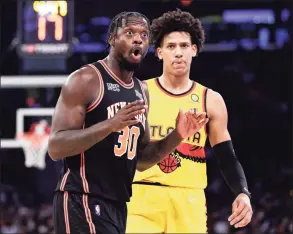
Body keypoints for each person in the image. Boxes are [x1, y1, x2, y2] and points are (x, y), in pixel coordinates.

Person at [48, 11, 208, 234]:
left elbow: (142, 159)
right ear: (112, 39)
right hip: (81, 198)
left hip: (118, 204)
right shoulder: (86, 79)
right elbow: (56, 147)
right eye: (129, 32)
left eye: (144, 35)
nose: (138, 39)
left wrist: (177, 135)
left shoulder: (141, 91)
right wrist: (110, 125)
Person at [126, 9, 253, 233]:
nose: (178, 53)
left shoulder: (210, 100)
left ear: (194, 50)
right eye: (171, 46)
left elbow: (226, 156)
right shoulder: (139, 92)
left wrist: (242, 192)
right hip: (141, 197)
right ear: (159, 52)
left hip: (189, 199)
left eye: (184, 46)